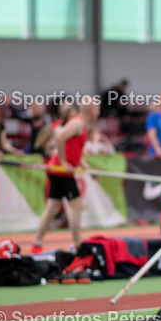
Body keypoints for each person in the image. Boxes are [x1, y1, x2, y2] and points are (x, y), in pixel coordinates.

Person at [31, 101, 99, 253]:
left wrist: (85, 166)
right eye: (97, 109)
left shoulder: (82, 125)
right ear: (91, 110)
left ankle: (37, 243)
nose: (99, 113)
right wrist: (63, 162)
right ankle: (79, 245)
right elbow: (59, 138)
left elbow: (74, 149)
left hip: (60, 171)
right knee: (77, 206)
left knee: (53, 208)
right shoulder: (78, 124)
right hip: (61, 171)